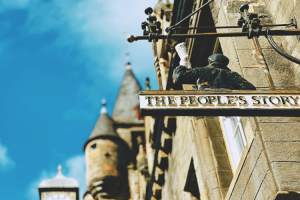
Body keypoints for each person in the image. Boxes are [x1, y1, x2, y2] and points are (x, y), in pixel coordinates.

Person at [173, 53, 256, 90]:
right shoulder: (232, 74)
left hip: (206, 99)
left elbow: (179, 77)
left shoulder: (200, 70)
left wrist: (182, 65)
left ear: (210, 62)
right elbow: (250, 88)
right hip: (228, 101)